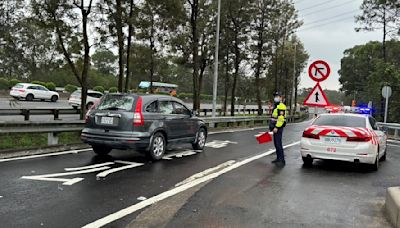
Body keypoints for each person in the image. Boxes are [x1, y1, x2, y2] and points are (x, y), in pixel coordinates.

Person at [270, 91, 287, 166]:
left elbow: (281, 118)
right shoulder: (276, 105)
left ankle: (281, 160)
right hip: (275, 127)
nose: (275, 98)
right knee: (276, 143)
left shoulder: (281, 106)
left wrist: (277, 127)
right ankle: (278, 158)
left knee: (278, 143)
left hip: (278, 127)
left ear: (280, 97)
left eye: (277, 96)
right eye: (275, 96)